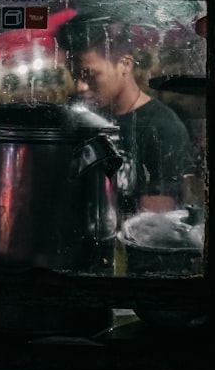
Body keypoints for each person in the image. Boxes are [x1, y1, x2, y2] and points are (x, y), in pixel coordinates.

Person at [56, 11, 195, 216]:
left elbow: (157, 215)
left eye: (89, 75)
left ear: (125, 64)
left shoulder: (163, 128)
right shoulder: (82, 117)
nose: (80, 87)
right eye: (74, 75)